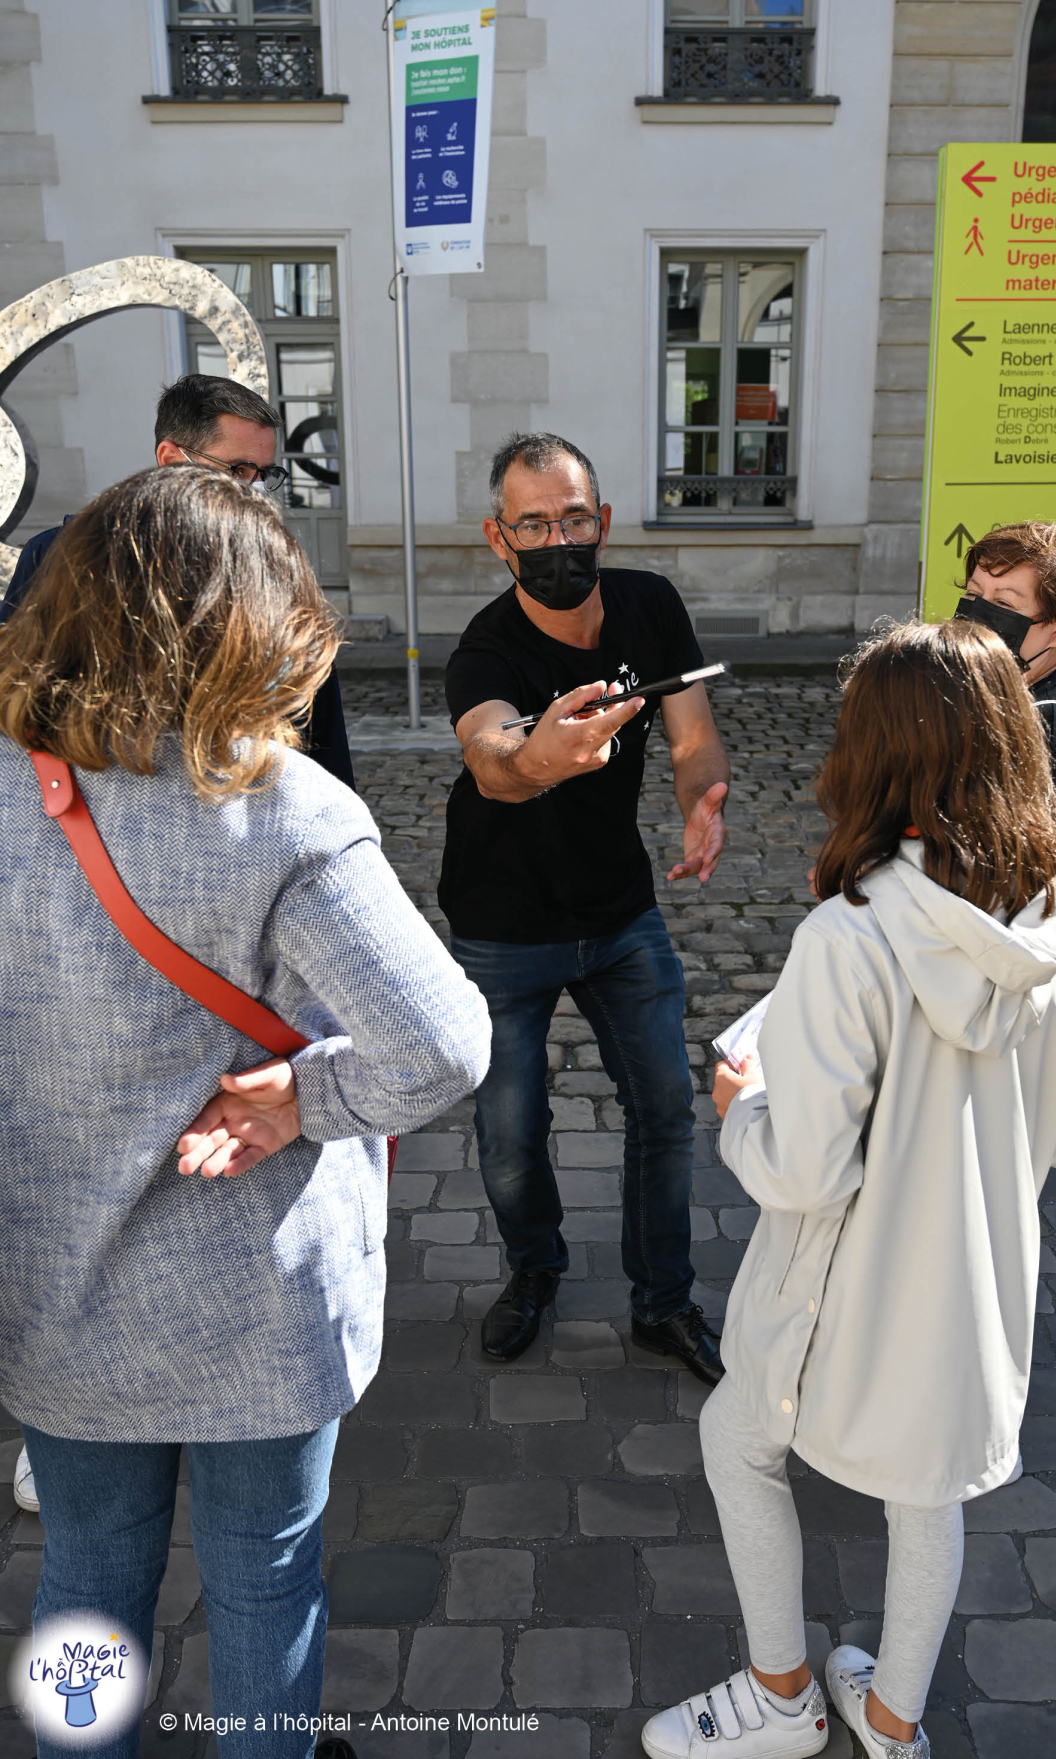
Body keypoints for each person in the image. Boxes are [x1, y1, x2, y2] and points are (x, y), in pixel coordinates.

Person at [0, 466, 491, 1759]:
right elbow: (442, 1042)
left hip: (54, 1283)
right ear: (255, 622)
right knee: (266, 1578)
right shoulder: (280, 805)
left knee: (87, 1580)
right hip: (258, 1295)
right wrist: (307, 1098)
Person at [641, 620, 1056, 1759]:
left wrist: (739, 1105)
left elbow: (803, 1166)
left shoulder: (850, 934)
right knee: (928, 1486)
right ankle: (893, 1720)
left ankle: (780, 1695)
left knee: (734, 1439)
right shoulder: (1053, 909)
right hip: (982, 1262)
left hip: (846, 1275)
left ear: (874, 754)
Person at [439, 431, 731, 1378]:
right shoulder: (484, 648)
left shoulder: (649, 604)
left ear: (601, 521)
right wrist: (537, 759)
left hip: (619, 915)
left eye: (572, 518)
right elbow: (490, 761)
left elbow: (692, 734)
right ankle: (533, 1271)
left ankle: (664, 1300)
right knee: (511, 1133)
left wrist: (704, 801)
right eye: (534, 523)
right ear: (499, 537)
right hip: (502, 928)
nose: (556, 538)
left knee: (666, 1106)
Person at [1, 372, 355, 790]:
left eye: (263, 473)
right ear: (171, 459)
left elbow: (320, 741)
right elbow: (19, 708)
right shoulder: (59, 558)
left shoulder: (274, 573)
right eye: (239, 468)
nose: (253, 488)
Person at [953, 521, 1056, 870]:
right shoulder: (991, 694)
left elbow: (1038, 888)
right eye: (972, 595)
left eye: (1004, 605)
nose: (976, 615)